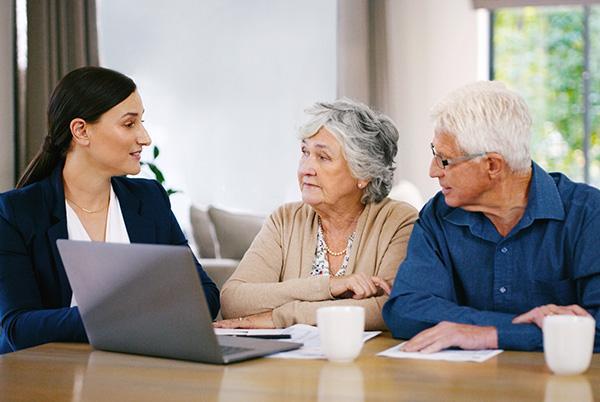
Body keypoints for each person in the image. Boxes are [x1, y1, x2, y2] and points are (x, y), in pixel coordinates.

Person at [0, 66, 220, 354]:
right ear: (81, 131)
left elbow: (205, 295)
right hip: (53, 380)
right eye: (129, 124)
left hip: (140, 369)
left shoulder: (149, 199)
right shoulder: (16, 212)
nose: (145, 137)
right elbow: (19, 327)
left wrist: (127, 315)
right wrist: (126, 314)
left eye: (142, 122)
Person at [383, 81, 600, 352]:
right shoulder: (438, 215)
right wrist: (513, 328)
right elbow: (406, 310)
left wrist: (487, 335)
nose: (433, 171)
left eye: (445, 160)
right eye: (434, 155)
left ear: (492, 165)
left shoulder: (589, 215)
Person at [216, 99, 417, 330]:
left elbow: (387, 308)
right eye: (305, 153)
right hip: (287, 363)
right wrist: (329, 286)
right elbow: (233, 300)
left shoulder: (398, 221)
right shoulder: (285, 219)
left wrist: (279, 317)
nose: (305, 169)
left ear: (364, 173)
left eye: (323, 157)